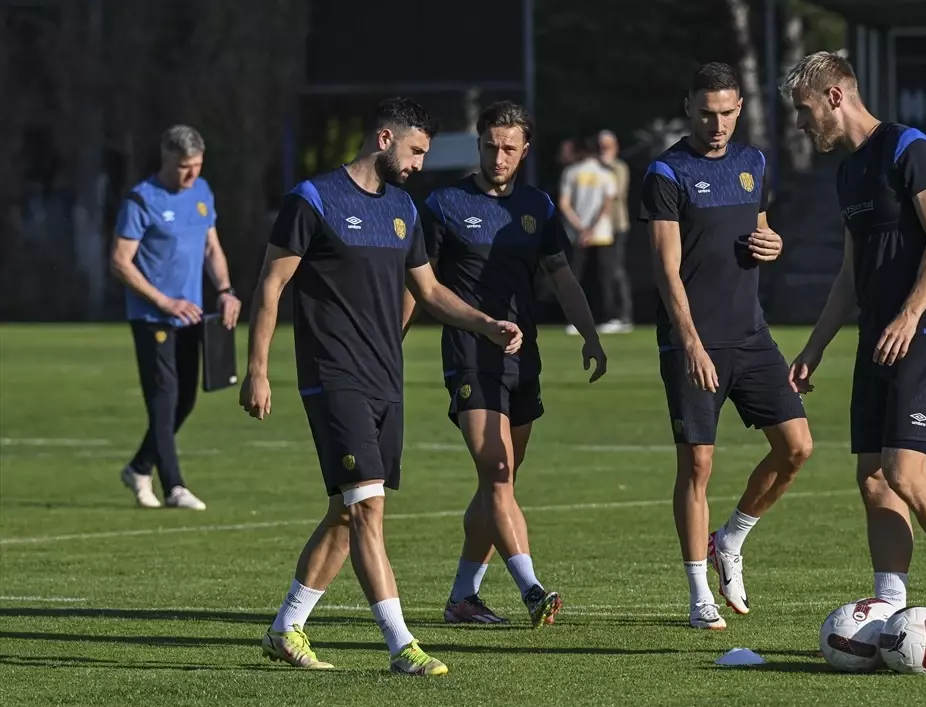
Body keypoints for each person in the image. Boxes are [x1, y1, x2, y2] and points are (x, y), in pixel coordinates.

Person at [241, 98, 522, 676]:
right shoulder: (313, 198)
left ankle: (284, 628)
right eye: (416, 151)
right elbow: (271, 286)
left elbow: (430, 291)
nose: (420, 163)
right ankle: (401, 645)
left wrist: (485, 323)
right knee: (368, 508)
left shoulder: (404, 209)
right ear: (385, 138)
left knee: (348, 514)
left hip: (385, 380)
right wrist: (258, 370)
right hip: (332, 375)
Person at [781, 51, 926, 614]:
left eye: (804, 111)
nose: (800, 125)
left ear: (835, 97)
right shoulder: (848, 171)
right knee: (873, 478)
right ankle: (889, 604)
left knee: (904, 471)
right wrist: (814, 347)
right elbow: (850, 276)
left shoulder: (910, 147)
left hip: (925, 335)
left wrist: (909, 315)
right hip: (877, 337)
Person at [403, 101, 607, 627]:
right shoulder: (445, 203)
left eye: (509, 148)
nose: (499, 156)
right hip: (471, 355)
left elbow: (561, 276)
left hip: (524, 357)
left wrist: (589, 334)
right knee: (496, 472)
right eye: (491, 145)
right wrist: (388, 343)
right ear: (479, 143)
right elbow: (418, 285)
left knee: (502, 484)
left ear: (525, 150)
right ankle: (532, 588)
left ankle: (462, 599)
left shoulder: (538, 206)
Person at [641, 62, 812, 631]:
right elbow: (666, 271)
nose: (718, 124)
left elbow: (758, 229)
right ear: (688, 106)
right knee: (698, 464)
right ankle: (698, 596)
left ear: (740, 108)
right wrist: (689, 341)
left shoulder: (754, 162)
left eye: (728, 112)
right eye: (707, 112)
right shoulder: (667, 172)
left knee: (797, 447)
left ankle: (731, 538)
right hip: (694, 340)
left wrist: (773, 243)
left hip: (751, 335)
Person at [110, 125, 240, 511]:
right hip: (153, 318)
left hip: (192, 316)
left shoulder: (202, 193)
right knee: (164, 401)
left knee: (185, 401)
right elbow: (120, 262)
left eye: (197, 165)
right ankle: (174, 487)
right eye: (184, 166)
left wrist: (226, 290)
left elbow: (212, 248)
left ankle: (138, 467)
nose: (192, 174)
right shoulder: (141, 200)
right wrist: (164, 301)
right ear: (166, 158)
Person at [559, 138, 619, 334]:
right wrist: (591, 229)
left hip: (576, 235)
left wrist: (580, 228)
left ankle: (574, 320)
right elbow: (608, 204)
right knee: (602, 279)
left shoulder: (571, 172)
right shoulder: (606, 173)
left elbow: (564, 204)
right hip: (601, 233)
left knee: (576, 278)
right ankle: (606, 318)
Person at [598, 129, 634, 333]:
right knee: (603, 272)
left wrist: (605, 166)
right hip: (599, 228)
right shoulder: (595, 168)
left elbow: (618, 191)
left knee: (616, 270)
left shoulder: (619, 167)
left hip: (616, 225)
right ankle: (607, 313)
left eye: (607, 146)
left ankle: (623, 315)